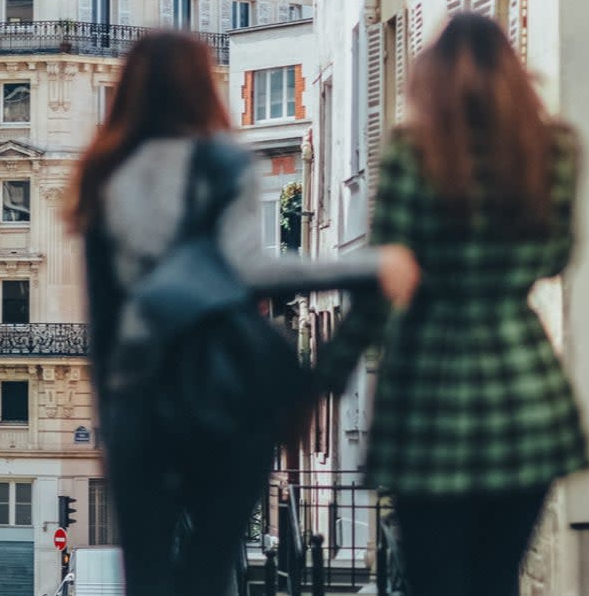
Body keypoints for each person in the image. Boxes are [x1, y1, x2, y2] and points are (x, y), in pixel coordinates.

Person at [67, 30, 376, 596]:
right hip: (226, 394)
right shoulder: (220, 162)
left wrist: (113, 415)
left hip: (139, 396)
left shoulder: (102, 172)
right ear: (201, 86)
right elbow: (250, 270)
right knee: (209, 570)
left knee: (148, 579)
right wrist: (362, 268)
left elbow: (102, 316)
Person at [317, 12, 589, 596]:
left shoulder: (415, 155)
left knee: (436, 583)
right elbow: (556, 258)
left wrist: (325, 375)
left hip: (430, 392)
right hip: (524, 393)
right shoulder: (555, 151)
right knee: (497, 581)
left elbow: (381, 281)